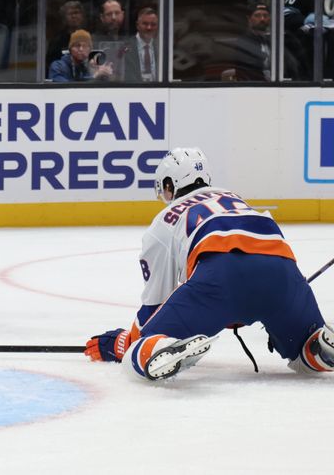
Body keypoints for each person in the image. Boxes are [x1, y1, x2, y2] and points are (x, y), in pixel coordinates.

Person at [84, 148, 334, 381]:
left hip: (222, 277)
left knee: (138, 351)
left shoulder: (164, 221)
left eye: (165, 188)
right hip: (282, 274)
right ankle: (317, 344)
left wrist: (122, 343)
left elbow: (154, 305)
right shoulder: (234, 198)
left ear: (170, 184)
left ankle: (158, 347)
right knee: (303, 349)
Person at [48, 29, 113, 82]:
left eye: (85, 46)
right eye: (77, 45)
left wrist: (103, 73)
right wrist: (94, 76)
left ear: (90, 50)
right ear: (70, 49)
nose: (81, 49)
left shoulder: (89, 67)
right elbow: (66, 88)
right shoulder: (58, 66)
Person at [229, 3, 271, 81]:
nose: (262, 19)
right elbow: (250, 70)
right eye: (257, 15)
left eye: (265, 16)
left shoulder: (275, 40)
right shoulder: (244, 42)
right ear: (249, 19)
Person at [45, 1, 87, 75]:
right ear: (64, 18)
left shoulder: (90, 37)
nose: (74, 16)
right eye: (70, 14)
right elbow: (50, 64)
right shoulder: (57, 41)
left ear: (82, 16)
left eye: (76, 12)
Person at [122, 7, 158, 82]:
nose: (149, 27)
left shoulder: (161, 47)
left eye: (153, 24)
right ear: (137, 25)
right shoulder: (124, 47)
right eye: (145, 23)